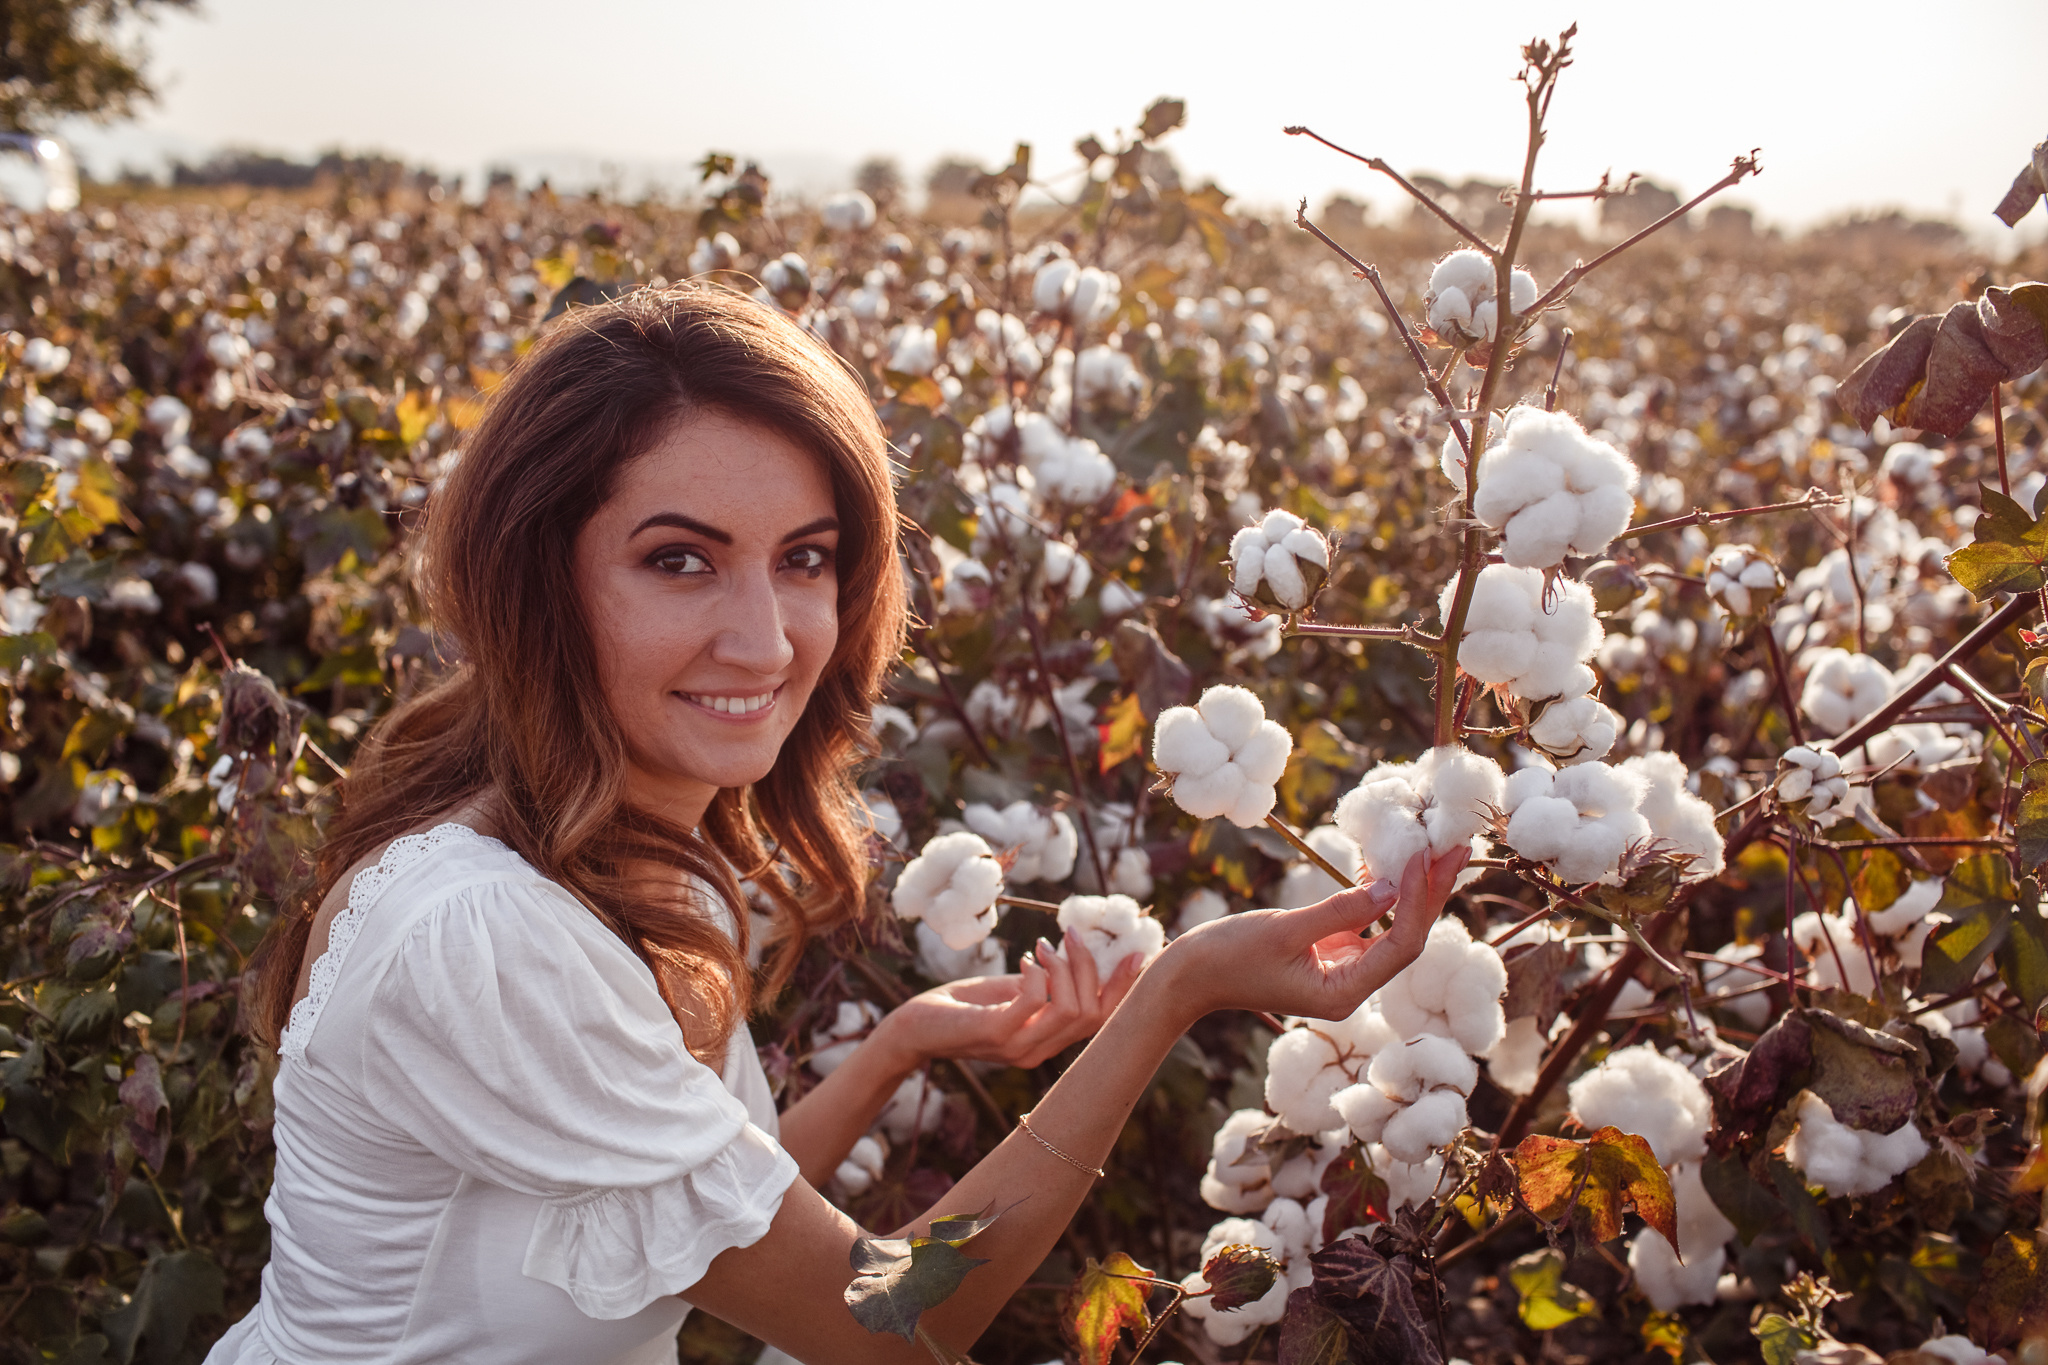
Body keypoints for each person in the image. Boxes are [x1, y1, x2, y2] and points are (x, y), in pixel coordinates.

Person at [206, 285, 1464, 1364]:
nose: (765, 640)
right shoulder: (485, 932)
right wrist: (1173, 994)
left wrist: (895, 1049)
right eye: (678, 560)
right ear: (538, 579)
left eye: (804, 558)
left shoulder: (631, 852)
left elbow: (699, 1212)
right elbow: (885, 1326)